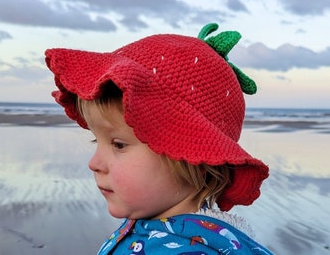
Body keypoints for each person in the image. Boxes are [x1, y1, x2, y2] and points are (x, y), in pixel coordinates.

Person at [45, 22, 273, 254]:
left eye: (118, 144)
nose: (94, 164)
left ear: (194, 157)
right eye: (97, 141)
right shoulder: (155, 223)